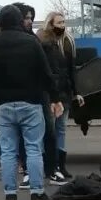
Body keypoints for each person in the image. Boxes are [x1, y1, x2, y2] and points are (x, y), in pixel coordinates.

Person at [0, 5, 63, 200]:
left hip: (3, 104)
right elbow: (46, 73)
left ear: (0, 23)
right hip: (31, 102)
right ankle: (37, 193)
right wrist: (55, 97)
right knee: (34, 148)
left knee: (9, 150)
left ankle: (10, 194)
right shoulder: (31, 42)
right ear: (20, 21)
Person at [12, 2, 64, 188]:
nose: (29, 21)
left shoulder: (37, 41)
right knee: (23, 136)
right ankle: (27, 172)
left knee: (49, 132)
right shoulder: (7, 41)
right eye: (26, 18)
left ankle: (53, 170)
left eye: (31, 18)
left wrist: (54, 97)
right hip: (18, 95)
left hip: (40, 94)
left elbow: (49, 71)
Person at [36, 12, 84, 179]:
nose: (62, 25)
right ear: (50, 23)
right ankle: (50, 165)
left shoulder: (68, 41)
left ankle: (61, 165)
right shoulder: (42, 41)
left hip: (65, 92)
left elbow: (72, 69)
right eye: (59, 22)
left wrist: (77, 92)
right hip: (49, 93)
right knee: (49, 130)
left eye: (64, 22)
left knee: (61, 128)